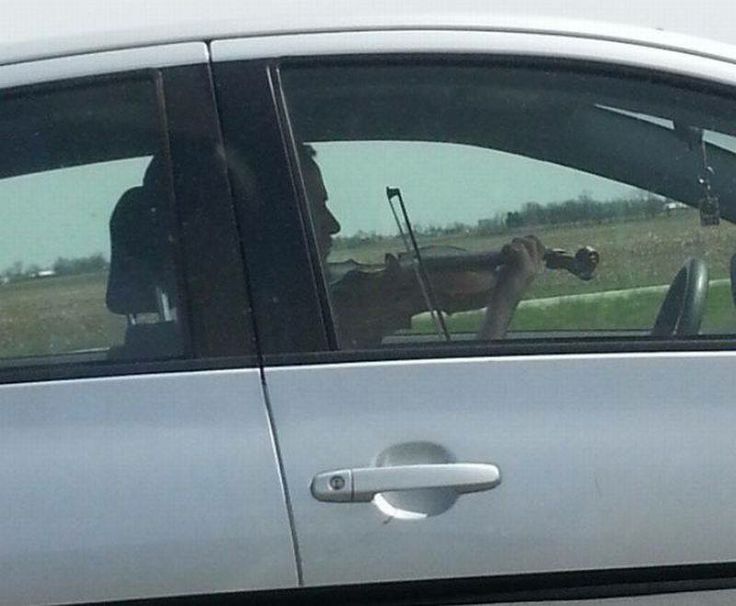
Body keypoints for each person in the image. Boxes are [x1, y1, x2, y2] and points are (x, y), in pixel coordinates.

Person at [299, 145, 545, 348]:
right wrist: (504, 300)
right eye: (316, 208)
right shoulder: (305, 326)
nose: (333, 224)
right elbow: (468, 394)